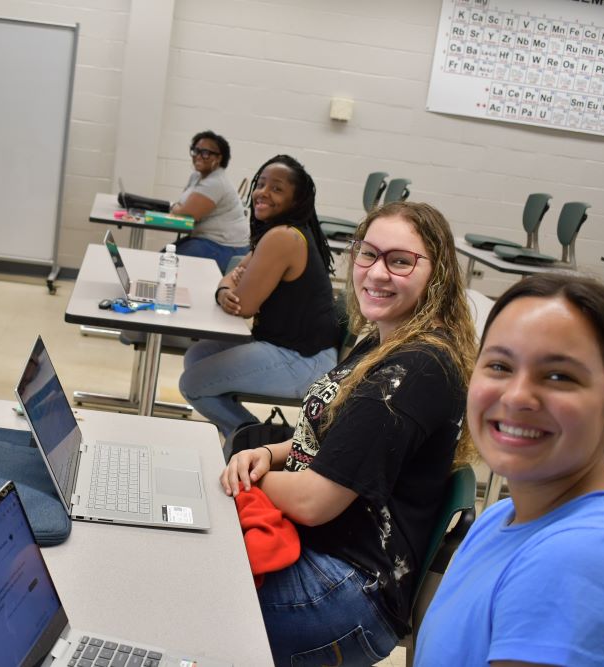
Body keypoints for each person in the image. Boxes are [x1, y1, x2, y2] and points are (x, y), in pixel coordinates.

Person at [219, 201, 478, 666]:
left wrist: (243, 480)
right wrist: (271, 454)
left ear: (436, 273)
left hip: (346, 593)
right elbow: (334, 437)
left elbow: (314, 502)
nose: (376, 273)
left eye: (400, 261)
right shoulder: (387, 337)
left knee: (189, 589)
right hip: (329, 560)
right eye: (368, 253)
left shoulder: (415, 369)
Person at [415, 274, 604, 666]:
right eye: (499, 365)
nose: (517, 396)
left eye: (559, 376)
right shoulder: (502, 516)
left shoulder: (588, 563)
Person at [178, 155, 339, 437]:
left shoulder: (284, 237)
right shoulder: (277, 232)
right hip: (283, 345)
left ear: (296, 200)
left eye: (277, 188)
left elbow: (243, 306)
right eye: (261, 184)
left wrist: (232, 289)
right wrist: (225, 290)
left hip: (303, 361)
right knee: (197, 355)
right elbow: (232, 276)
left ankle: (253, 437)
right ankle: (245, 436)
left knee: (193, 384)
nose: (263, 192)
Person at [168, 130, 250, 273]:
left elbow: (185, 215)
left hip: (225, 247)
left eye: (205, 153)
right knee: (164, 258)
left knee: (167, 263)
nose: (198, 156)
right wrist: (179, 208)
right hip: (205, 239)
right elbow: (184, 209)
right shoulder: (197, 177)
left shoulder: (215, 182)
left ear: (219, 158)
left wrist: (175, 207)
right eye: (196, 151)